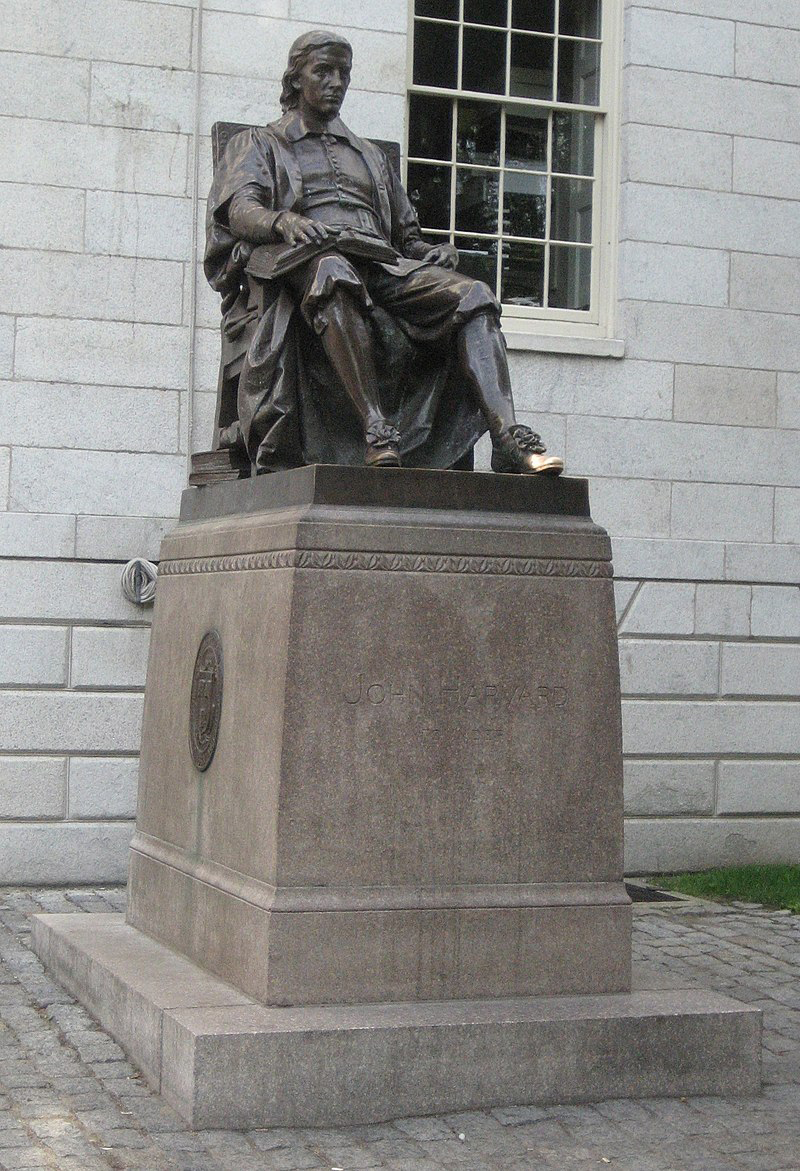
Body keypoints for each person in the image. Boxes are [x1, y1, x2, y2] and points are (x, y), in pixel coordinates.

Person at [205, 29, 563, 477]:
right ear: (296, 79)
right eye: (324, 71)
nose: (336, 82)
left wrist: (430, 251)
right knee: (332, 271)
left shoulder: (370, 156)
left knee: (474, 294)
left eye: (344, 73)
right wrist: (284, 222)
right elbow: (240, 210)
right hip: (305, 261)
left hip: (381, 264)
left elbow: (405, 237)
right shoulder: (259, 143)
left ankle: (506, 436)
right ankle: (376, 428)